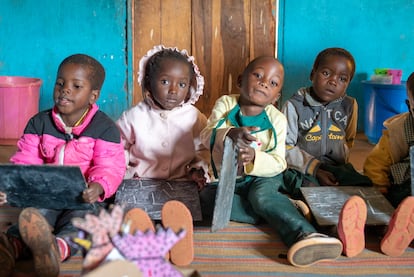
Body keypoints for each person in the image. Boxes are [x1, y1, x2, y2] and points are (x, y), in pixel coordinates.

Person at [199, 56, 343, 268]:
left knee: (261, 197)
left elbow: (279, 162)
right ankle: (284, 208)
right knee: (206, 199)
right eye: (257, 75)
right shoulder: (226, 104)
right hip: (228, 177)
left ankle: (305, 234)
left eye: (273, 83)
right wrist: (229, 133)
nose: (264, 82)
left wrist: (255, 158)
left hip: (263, 177)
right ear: (240, 81)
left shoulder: (277, 119)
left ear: (276, 97)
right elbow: (205, 135)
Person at [0, 54, 126, 277]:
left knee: (85, 224)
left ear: (93, 96)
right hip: (46, 195)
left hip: (84, 199)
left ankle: (54, 250)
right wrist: (14, 187)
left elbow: (110, 167)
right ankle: (11, 249)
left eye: (76, 86)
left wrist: (98, 187)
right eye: (60, 83)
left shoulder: (105, 129)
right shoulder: (39, 123)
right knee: (33, 215)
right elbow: (26, 160)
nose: (65, 90)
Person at [115, 45, 209, 266]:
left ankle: (177, 236)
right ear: (148, 82)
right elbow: (117, 147)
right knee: (129, 212)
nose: (174, 90)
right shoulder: (133, 116)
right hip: (140, 182)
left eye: (182, 84)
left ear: (190, 87)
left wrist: (199, 169)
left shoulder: (194, 117)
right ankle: (146, 235)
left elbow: (204, 148)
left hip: (181, 183)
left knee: (185, 209)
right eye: (165, 82)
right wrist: (119, 173)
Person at [282, 47, 371, 189]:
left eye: (342, 79)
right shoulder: (294, 106)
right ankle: (301, 205)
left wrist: (340, 162)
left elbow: (348, 139)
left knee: (364, 184)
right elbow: (285, 147)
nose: (333, 81)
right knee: (306, 186)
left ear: (348, 83)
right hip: (302, 167)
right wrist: (315, 169)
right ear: (312, 74)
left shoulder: (349, 105)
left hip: (336, 167)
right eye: (326, 73)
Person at [359, 71, 414, 257]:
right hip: (406, 189)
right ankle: (394, 228)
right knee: (398, 205)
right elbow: (376, 162)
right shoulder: (398, 131)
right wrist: (380, 188)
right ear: (409, 106)